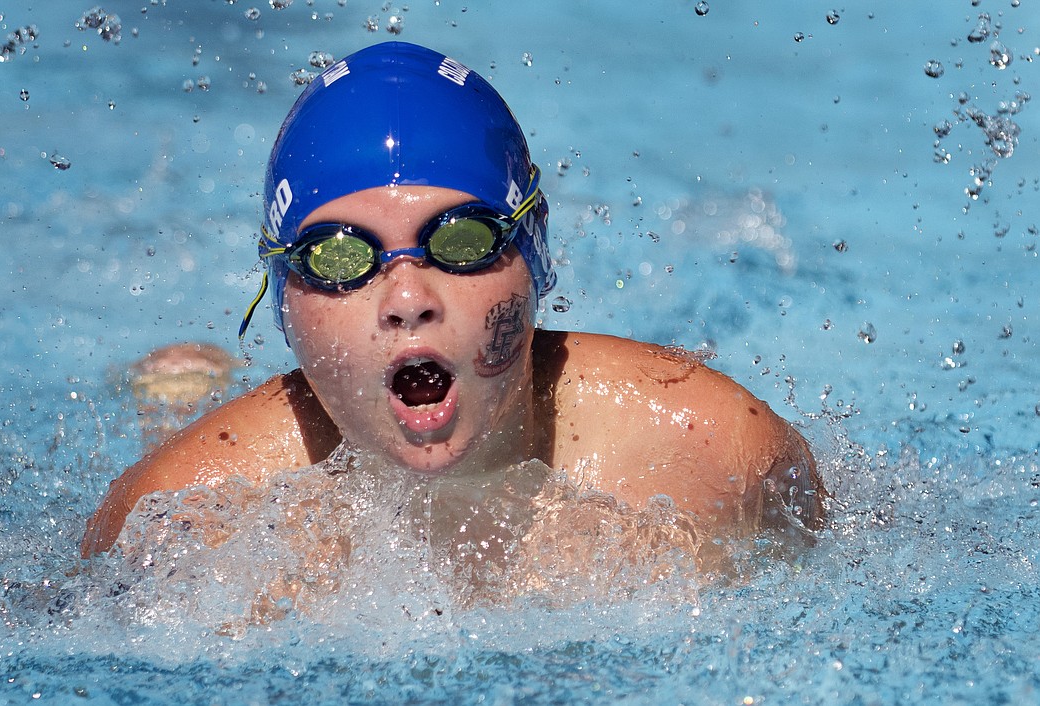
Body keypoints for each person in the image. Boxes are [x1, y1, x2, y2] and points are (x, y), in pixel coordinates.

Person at [82, 41, 824, 561]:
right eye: (340, 257)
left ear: (533, 251)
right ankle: (180, 393)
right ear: (282, 296)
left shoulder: (715, 456)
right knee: (186, 407)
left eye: (460, 242)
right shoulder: (178, 520)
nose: (407, 298)